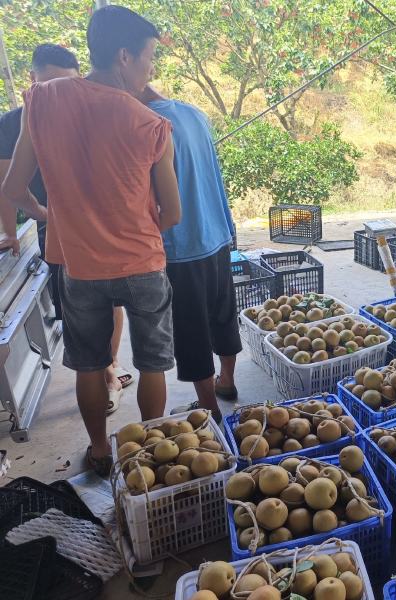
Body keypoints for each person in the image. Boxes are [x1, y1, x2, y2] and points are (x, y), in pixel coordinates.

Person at [1, 5, 181, 475]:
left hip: (79, 267)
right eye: (147, 60)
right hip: (142, 263)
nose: (149, 71)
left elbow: (14, 191)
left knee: (88, 364)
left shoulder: (44, 100)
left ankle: (100, 451)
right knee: (152, 364)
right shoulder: (151, 125)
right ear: (124, 56)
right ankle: (148, 455)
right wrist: (136, 233)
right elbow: (173, 212)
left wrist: (53, 217)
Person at [0, 44, 135, 412]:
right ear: (33, 81)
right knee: (78, 308)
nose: (60, 95)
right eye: (50, 85)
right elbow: (8, 186)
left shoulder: (91, 113)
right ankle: (100, 370)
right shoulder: (14, 122)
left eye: (68, 85)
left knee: (111, 300)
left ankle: (110, 363)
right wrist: (29, 221)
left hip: (101, 228)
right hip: (59, 233)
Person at [135, 85, 241, 423]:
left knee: (191, 329)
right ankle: (228, 381)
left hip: (182, 244)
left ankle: (209, 407)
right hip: (217, 232)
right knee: (222, 313)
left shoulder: (145, 124)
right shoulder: (193, 113)